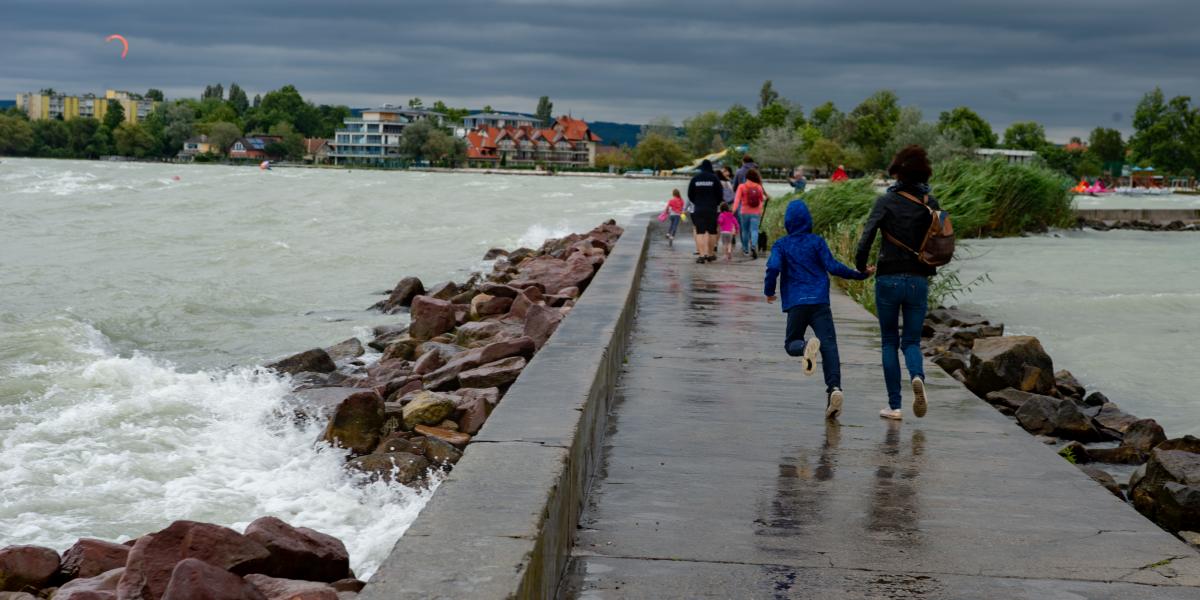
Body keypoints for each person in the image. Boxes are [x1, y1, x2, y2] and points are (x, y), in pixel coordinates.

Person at [765, 200, 872, 420]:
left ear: (787, 223)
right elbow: (833, 266)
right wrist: (859, 274)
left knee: (791, 343)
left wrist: (769, 290)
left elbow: (773, 266)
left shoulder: (781, 245)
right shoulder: (817, 241)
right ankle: (834, 388)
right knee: (829, 346)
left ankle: (805, 347)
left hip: (796, 303)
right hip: (820, 302)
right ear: (808, 220)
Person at [855, 145, 939, 421]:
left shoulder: (886, 201)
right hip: (918, 280)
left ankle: (895, 406)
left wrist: (861, 266)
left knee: (889, 341)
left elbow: (866, 237)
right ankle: (917, 376)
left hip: (888, 278)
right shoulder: (930, 203)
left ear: (898, 173)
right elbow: (939, 240)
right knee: (911, 341)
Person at [687, 159, 724, 263]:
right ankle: (710, 254)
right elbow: (720, 194)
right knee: (712, 231)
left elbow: (690, 194)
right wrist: (715, 203)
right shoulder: (714, 178)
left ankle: (702, 255)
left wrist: (697, 202)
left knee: (700, 231)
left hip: (699, 208)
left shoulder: (695, 178)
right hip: (712, 208)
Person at [732, 168, 769, 260]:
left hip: (744, 212)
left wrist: (733, 211)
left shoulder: (741, 186)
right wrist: (761, 209)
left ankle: (745, 250)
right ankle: (753, 246)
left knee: (745, 231)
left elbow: (737, 200)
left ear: (747, 177)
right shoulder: (759, 187)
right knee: (754, 230)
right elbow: (761, 199)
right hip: (756, 212)